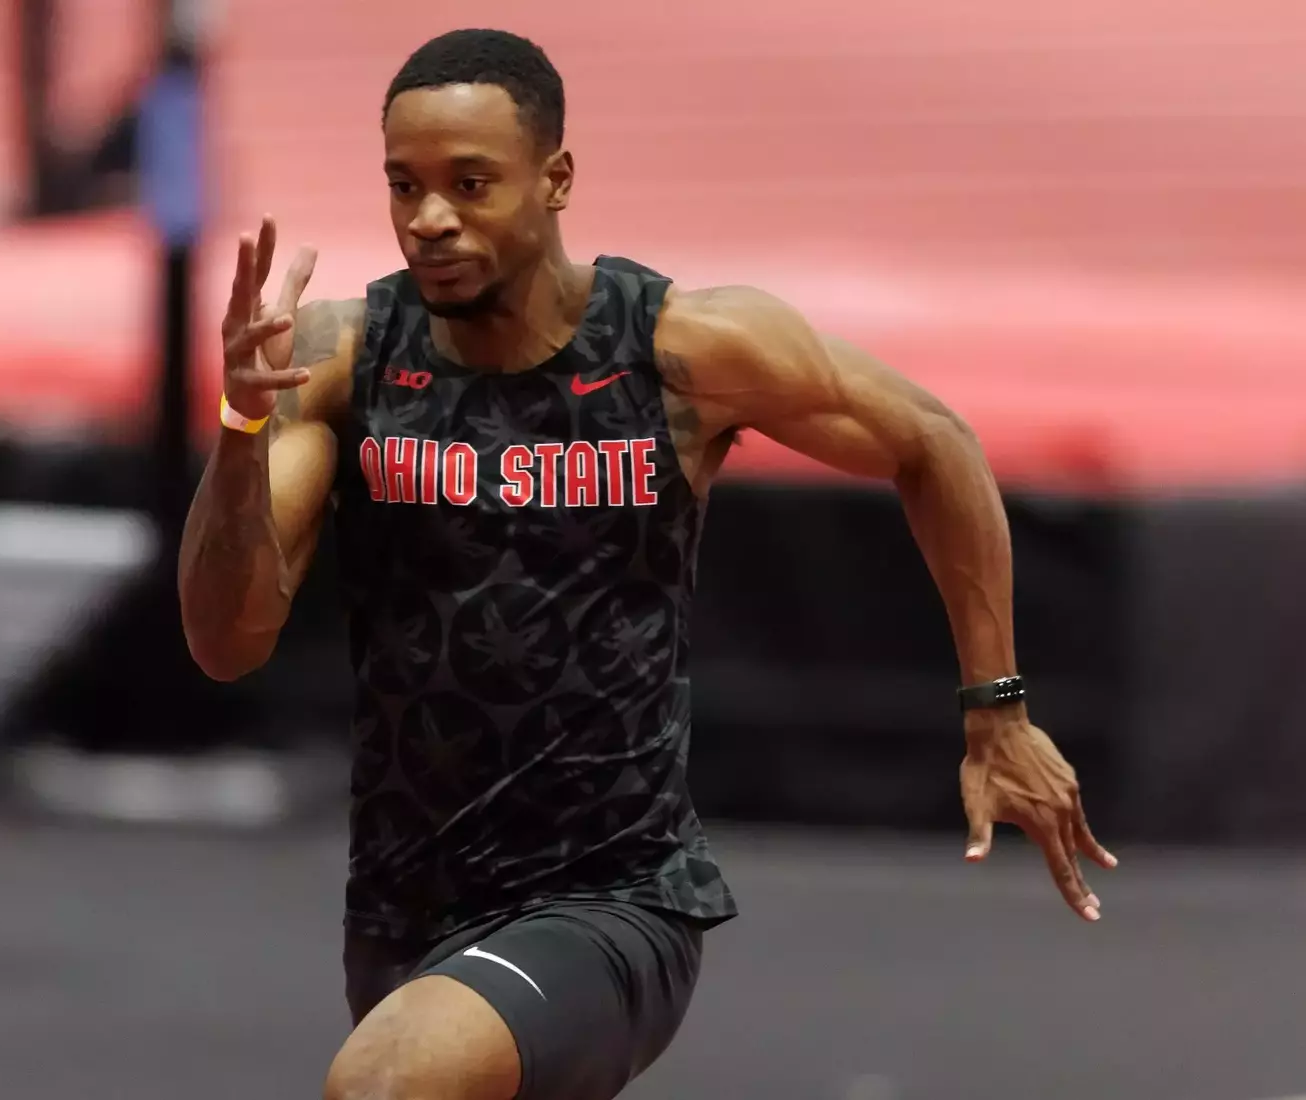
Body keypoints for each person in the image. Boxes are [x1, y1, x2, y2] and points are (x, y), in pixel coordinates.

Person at [178, 27, 1118, 1100]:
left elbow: (932, 439)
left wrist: (995, 707)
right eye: (405, 186)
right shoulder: (342, 361)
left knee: (384, 1086)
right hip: (403, 902)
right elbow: (225, 637)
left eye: (469, 184)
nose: (428, 218)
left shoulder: (679, 349)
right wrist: (239, 427)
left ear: (556, 179)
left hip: (609, 896)